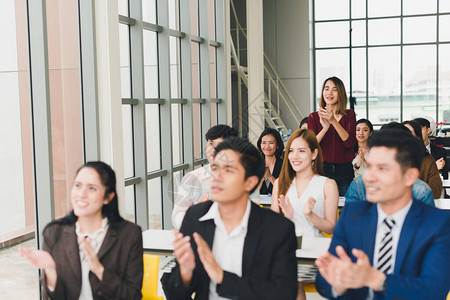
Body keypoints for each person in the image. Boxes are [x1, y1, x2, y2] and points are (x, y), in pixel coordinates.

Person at [315, 129, 450, 299]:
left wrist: (377, 279)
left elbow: (434, 290)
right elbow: (324, 280)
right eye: (369, 167)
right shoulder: (353, 215)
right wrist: (337, 284)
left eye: (382, 169)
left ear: (409, 176)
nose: (369, 177)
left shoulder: (437, 224)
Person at [161, 137, 298, 300]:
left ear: (250, 182)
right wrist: (185, 272)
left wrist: (221, 276)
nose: (217, 177)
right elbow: (174, 294)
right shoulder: (195, 217)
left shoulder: (278, 229)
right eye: (215, 168)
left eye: (228, 170)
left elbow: (283, 293)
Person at [20, 161, 143, 300]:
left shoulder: (129, 234)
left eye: (92, 188)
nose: (81, 194)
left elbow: (132, 296)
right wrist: (50, 269)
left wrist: (99, 270)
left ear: (108, 197)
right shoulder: (54, 232)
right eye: (77, 186)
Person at [271, 129, 338, 300]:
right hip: (286, 248)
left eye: (302, 151)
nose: (295, 156)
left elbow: (331, 228)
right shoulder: (280, 183)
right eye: (291, 151)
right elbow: (271, 226)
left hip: (314, 251)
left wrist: (310, 215)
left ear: (314, 153)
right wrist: (287, 217)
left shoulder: (327, 184)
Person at [171, 124, 238, 229]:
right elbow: (177, 215)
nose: (213, 149)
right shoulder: (192, 178)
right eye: (211, 143)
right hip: (199, 237)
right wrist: (196, 211)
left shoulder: (242, 178)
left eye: (220, 145)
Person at [307, 76, 356, 196]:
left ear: (341, 93)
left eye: (334, 89)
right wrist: (325, 128)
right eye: (326, 89)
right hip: (322, 168)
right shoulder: (313, 117)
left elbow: (349, 143)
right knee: (322, 206)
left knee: (345, 207)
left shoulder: (349, 115)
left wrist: (333, 121)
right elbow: (311, 145)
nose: (329, 93)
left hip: (344, 170)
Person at [403, 120, 442, 198]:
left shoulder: (427, 160)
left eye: (409, 133)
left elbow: (435, 191)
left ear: (418, 137)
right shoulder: (391, 160)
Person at [257, 128, 284, 195]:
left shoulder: (284, 165)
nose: (267, 146)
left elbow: (285, 191)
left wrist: (269, 177)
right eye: (263, 143)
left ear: (277, 145)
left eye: (271, 143)